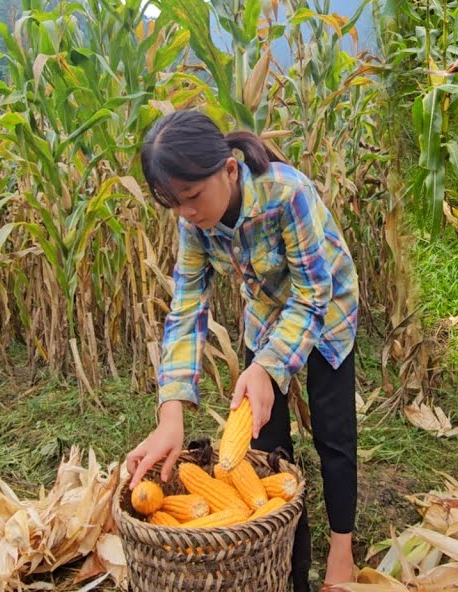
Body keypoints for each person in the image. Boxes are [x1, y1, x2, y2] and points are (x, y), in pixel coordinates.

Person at [124, 109, 359, 590]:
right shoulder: (192, 222)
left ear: (229, 170)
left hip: (327, 309)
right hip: (266, 316)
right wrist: (172, 411)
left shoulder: (287, 194)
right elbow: (187, 308)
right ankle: (287, 561)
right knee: (265, 447)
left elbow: (313, 293)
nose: (187, 212)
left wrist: (269, 367)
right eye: (174, 204)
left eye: (192, 196)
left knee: (334, 436)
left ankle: (342, 548)